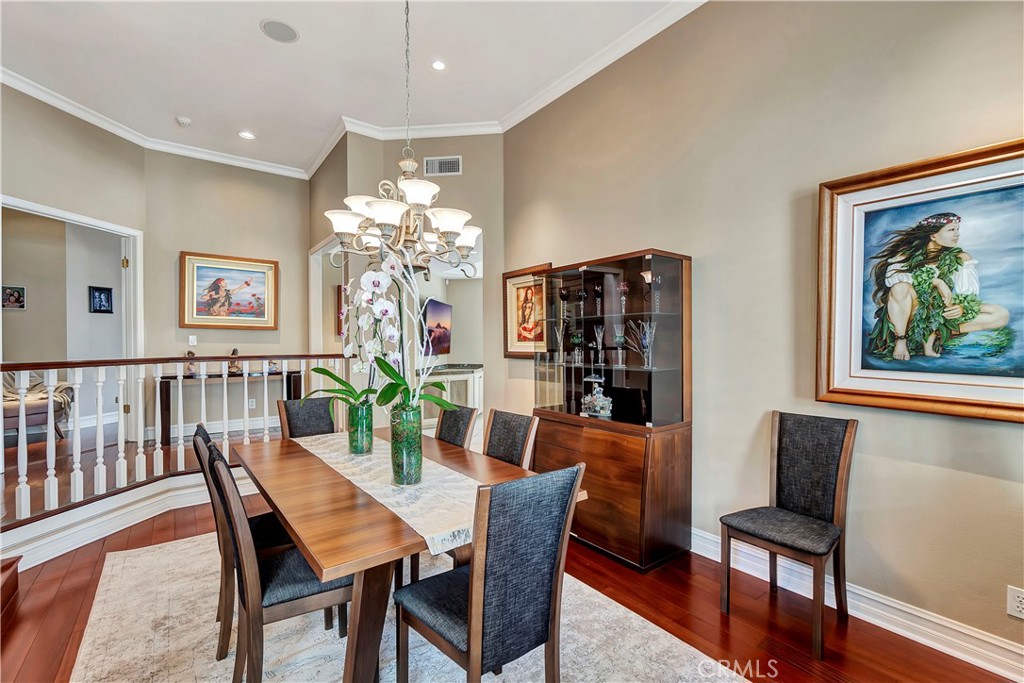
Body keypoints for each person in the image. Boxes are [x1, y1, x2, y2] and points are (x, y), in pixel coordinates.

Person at [867, 212, 1009, 360]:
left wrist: (962, 307)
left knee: (1000, 314)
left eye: (957, 230)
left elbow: (968, 294)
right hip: (909, 314)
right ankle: (901, 341)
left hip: (939, 313)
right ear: (933, 236)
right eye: (951, 230)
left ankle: (934, 334)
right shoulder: (906, 255)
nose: (957, 234)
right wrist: (936, 282)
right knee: (900, 287)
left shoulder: (961, 258)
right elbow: (892, 279)